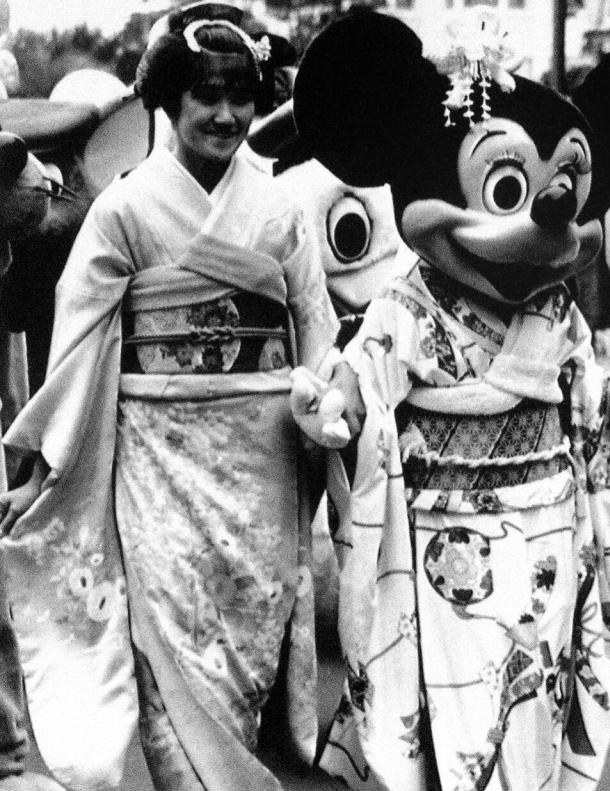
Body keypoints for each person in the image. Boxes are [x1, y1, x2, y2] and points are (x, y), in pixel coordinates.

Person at [0, 14, 339, 791]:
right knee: (171, 671)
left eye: (241, 96)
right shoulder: (125, 209)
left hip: (263, 467)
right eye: (204, 95)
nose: (224, 114)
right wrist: (48, 461)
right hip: (156, 467)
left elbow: (315, 327)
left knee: (244, 660)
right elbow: (80, 343)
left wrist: (326, 395)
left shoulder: (281, 209)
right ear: (165, 99)